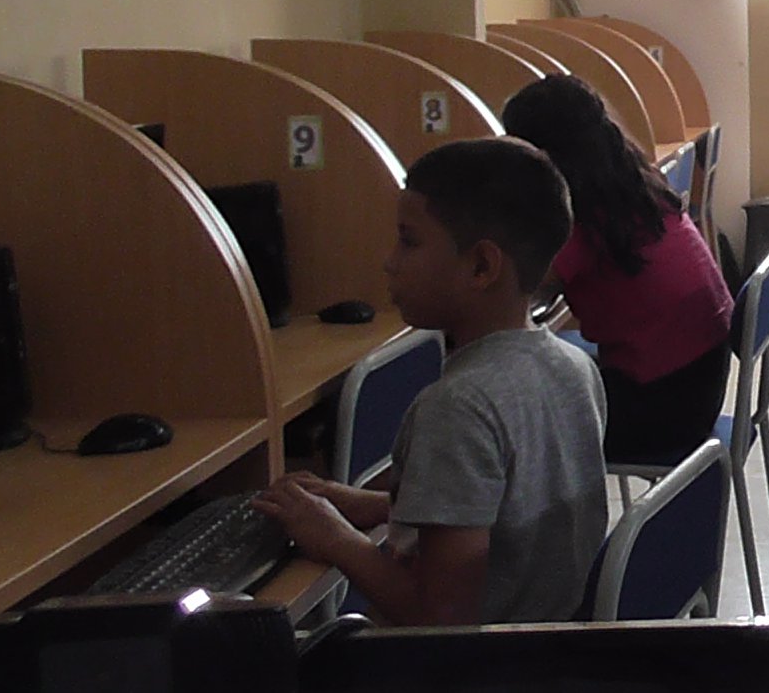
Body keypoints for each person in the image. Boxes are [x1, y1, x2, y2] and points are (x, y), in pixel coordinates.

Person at [253, 138, 607, 626]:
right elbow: (504, 511)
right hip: (543, 640)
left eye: (409, 241)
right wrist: (376, 506)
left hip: (465, 661)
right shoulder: (573, 366)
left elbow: (440, 621)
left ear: (481, 266)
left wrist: (334, 537)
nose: (390, 261)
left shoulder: (458, 407)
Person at [501, 74, 733, 462]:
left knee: (507, 414)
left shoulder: (582, 217)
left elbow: (516, 287)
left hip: (659, 411)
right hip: (696, 384)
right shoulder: (633, 185)